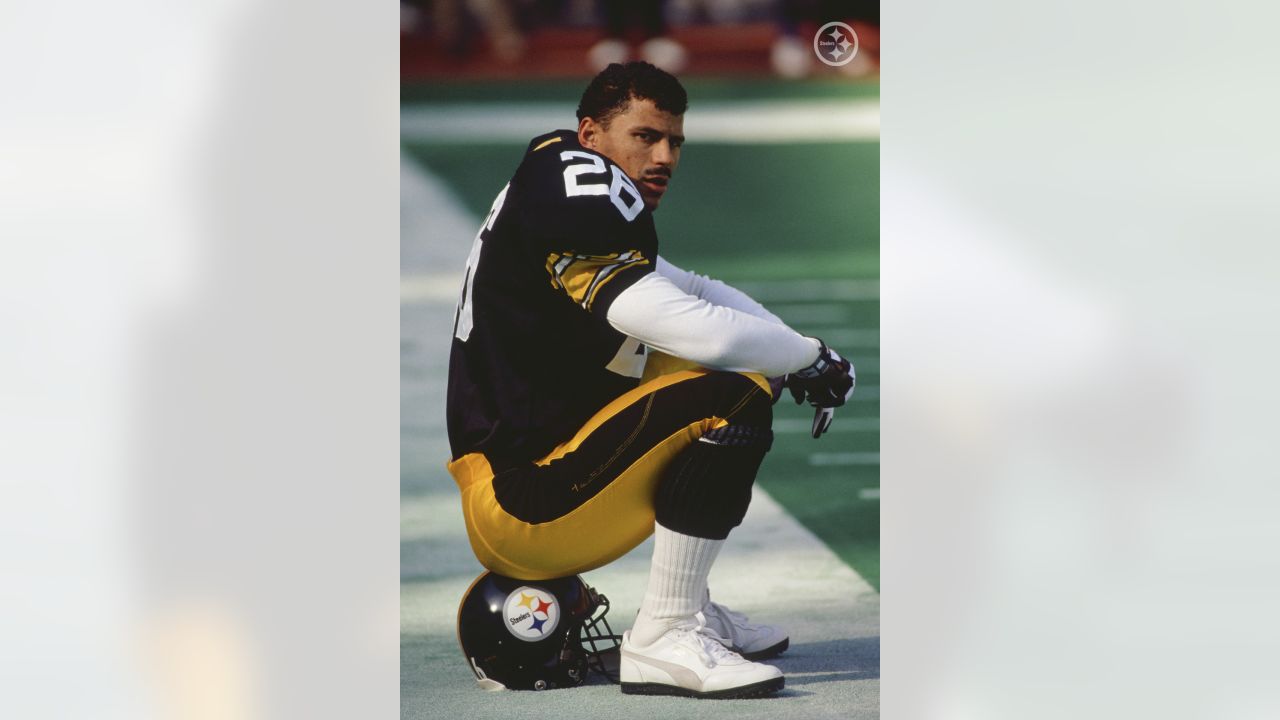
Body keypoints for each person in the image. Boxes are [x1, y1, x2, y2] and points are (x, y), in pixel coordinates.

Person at [446, 61, 854, 699]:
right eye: (644, 136)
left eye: (675, 141)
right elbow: (701, 331)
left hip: (538, 472)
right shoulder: (578, 189)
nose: (664, 156)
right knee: (733, 390)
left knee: (736, 368)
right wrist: (808, 358)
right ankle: (666, 631)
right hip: (527, 502)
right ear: (591, 134)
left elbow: (690, 288)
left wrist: (802, 350)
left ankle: (688, 602)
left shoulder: (558, 175)